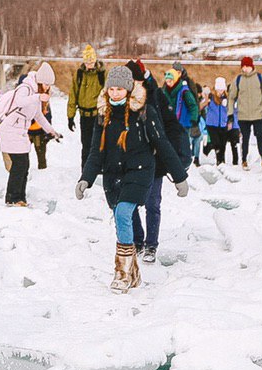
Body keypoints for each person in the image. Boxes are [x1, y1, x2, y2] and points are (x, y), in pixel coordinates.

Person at [76, 67, 189, 292]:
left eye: (119, 89)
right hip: (113, 175)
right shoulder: (103, 114)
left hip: (140, 171)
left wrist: (179, 177)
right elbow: (95, 152)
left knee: (123, 213)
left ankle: (122, 273)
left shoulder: (144, 111)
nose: (115, 93)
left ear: (128, 89)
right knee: (120, 220)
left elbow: (162, 144)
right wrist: (86, 178)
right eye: (112, 89)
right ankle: (134, 273)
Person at [126, 59, 188, 264]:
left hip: (155, 159)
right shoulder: (123, 98)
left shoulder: (156, 96)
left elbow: (171, 127)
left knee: (152, 203)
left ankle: (151, 244)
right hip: (132, 159)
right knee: (131, 203)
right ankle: (137, 240)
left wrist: (179, 158)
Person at [0, 63, 61, 207]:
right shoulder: (26, 88)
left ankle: (20, 198)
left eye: (49, 85)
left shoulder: (35, 93)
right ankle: (12, 198)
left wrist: (52, 131)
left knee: (24, 165)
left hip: (20, 132)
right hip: (10, 129)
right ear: (40, 81)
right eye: (46, 84)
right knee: (19, 164)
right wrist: (37, 97)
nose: (48, 87)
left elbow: (39, 116)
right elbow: (19, 101)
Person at [227, 56, 262, 170]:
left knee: (260, 138)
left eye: (247, 66)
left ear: (252, 66)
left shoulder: (259, 78)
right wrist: (230, 113)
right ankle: (244, 160)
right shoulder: (238, 80)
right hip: (243, 115)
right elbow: (231, 97)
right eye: (243, 66)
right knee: (245, 139)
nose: (245, 69)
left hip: (258, 114)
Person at [67, 46, 106, 172]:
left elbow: (107, 93)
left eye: (91, 61)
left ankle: (99, 168)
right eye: (87, 61)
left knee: (99, 143)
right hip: (84, 115)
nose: (89, 64)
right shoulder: (79, 74)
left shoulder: (102, 74)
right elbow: (73, 94)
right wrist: (70, 116)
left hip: (98, 114)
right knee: (86, 144)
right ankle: (85, 169)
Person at [162, 68, 199, 160]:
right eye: (167, 81)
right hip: (169, 122)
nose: (168, 83)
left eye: (170, 81)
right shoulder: (164, 91)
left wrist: (194, 119)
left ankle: (184, 160)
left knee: (182, 143)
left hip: (183, 122)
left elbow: (193, 105)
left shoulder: (184, 91)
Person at [204, 78, 239, 166]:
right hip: (212, 124)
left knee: (223, 144)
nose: (220, 91)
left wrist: (230, 121)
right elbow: (203, 105)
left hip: (223, 124)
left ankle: (222, 161)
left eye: (222, 89)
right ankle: (219, 161)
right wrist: (206, 98)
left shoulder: (227, 99)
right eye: (218, 89)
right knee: (217, 143)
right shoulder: (211, 97)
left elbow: (231, 110)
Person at [27, 80, 55, 171]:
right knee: (23, 154)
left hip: (40, 131)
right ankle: (24, 172)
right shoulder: (30, 97)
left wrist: (49, 132)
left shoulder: (45, 101)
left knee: (41, 154)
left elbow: (48, 116)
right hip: (27, 131)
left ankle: (42, 173)